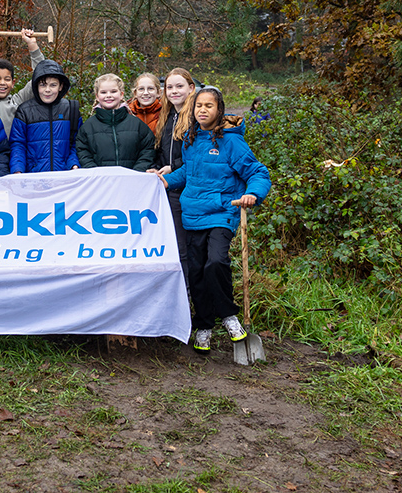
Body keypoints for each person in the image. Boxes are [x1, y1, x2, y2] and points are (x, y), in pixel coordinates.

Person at [161, 86, 271, 353]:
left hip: (222, 212)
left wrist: (252, 194)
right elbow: (189, 171)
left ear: (219, 110)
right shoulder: (191, 138)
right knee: (197, 272)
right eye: (199, 105)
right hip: (193, 214)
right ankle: (204, 325)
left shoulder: (232, 142)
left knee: (216, 262)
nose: (202, 110)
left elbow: (258, 172)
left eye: (208, 106)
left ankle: (229, 316)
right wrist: (165, 180)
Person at [147, 68, 198, 284]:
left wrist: (172, 167)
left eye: (179, 86)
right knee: (172, 244)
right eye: (169, 87)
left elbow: (195, 156)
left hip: (188, 189)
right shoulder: (166, 117)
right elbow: (161, 150)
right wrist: (156, 167)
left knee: (184, 246)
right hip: (168, 188)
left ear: (191, 88)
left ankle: (186, 293)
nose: (174, 91)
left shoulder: (196, 116)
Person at [9, 60, 82, 173]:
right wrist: (18, 170)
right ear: (36, 86)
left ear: (61, 86)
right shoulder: (24, 111)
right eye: (43, 85)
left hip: (65, 176)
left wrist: (73, 164)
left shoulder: (71, 109)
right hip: (33, 177)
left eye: (53, 85)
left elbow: (78, 142)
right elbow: (18, 145)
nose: (47, 90)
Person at [76, 74, 155, 171]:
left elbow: (147, 150)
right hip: (100, 182)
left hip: (132, 181)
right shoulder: (88, 126)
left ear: (121, 94)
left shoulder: (137, 124)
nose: (108, 95)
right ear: (97, 96)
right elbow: (83, 152)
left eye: (113, 91)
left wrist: (136, 172)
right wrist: (95, 173)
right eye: (103, 92)